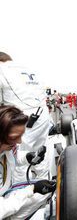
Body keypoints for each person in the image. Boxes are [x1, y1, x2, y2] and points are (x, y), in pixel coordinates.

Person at [0, 51, 51, 182]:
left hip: (19, 119)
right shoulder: (28, 69)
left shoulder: (2, 69)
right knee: (39, 153)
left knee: (16, 157)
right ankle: (44, 185)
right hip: (42, 115)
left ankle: (19, 190)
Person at [0, 105, 55, 219]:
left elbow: (12, 160)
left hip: (6, 194)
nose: (19, 141)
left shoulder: (6, 146)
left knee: (48, 190)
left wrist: (27, 158)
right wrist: (31, 190)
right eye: (14, 137)